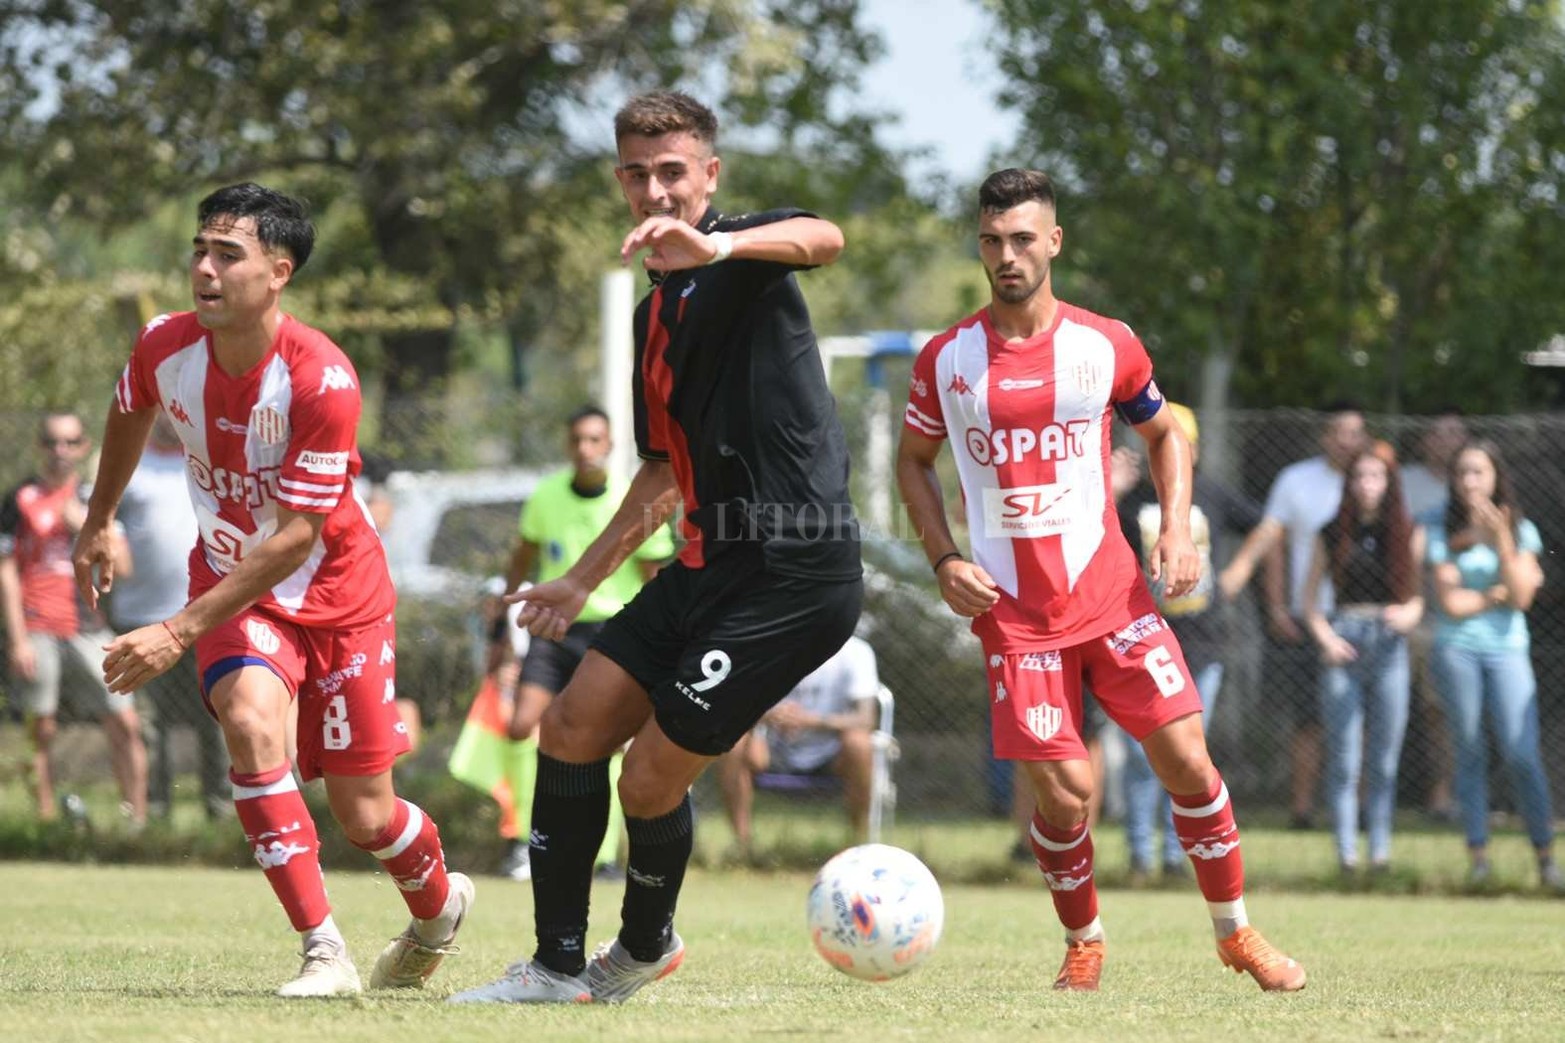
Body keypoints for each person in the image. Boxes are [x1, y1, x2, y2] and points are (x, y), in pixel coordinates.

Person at [451, 90, 861, 1006]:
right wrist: (578, 577)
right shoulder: (652, 322)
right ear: (619, 183)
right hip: (707, 563)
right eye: (637, 174)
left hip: (795, 572)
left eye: (673, 171)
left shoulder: (745, 256)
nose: (655, 189)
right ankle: (556, 968)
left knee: (646, 776)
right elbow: (661, 474)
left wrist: (719, 245)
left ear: (709, 176)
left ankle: (638, 950)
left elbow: (825, 236)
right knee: (568, 727)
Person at [896, 168, 1304, 992]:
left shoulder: (1104, 343)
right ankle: (1083, 938)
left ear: (1052, 241)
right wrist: (944, 558)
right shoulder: (946, 357)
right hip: (1012, 612)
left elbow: (1167, 437)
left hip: (1113, 594)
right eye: (990, 241)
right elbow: (911, 462)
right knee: (1069, 790)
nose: (1005, 255)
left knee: (1188, 758)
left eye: (1021, 239)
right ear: (979, 245)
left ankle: (1236, 934)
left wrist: (1181, 529)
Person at [71, 183, 473, 997]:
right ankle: (324, 950)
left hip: (340, 599)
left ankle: (438, 909)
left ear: (278, 271)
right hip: (233, 588)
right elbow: (128, 412)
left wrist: (176, 631)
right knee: (252, 727)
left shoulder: (322, 379)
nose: (205, 268)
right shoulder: (162, 346)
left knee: (366, 818)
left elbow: (297, 535)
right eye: (199, 249)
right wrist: (97, 518)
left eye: (229, 254)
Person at [489, 404, 675, 882]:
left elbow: (656, 578)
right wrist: (498, 619)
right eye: (578, 440)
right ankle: (520, 841)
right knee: (521, 725)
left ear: (610, 445)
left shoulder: (631, 501)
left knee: (609, 742)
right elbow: (522, 557)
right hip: (555, 629)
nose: (586, 449)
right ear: (568, 445)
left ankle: (606, 856)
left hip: (613, 633)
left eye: (595, 440)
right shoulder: (546, 497)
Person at [1115, 404, 1263, 882]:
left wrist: (1237, 572)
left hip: (1203, 642)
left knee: (1187, 754)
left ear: (1191, 450)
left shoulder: (1212, 496)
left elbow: (1266, 523)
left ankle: (1178, 857)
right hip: (1143, 642)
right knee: (1142, 755)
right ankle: (1140, 853)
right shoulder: (1132, 500)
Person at [1219, 403, 1368, 829]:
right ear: (1325, 437)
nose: (1347, 440)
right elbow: (1274, 543)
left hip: (1361, 615)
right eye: (1340, 431)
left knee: (1361, 723)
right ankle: (1302, 811)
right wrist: (1278, 606)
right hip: (1308, 617)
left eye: (1356, 432)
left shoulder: (1375, 480)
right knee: (1309, 719)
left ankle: (1357, 812)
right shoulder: (1297, 480)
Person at [1423, 440, 1559, 889]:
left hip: (1508, 649)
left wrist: (1502, 541)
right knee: (1470, 750)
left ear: (1497, 476)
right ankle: (1479, 857)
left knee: (1522, 753)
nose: (1470, 481)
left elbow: (1521, 597)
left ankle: (1545, 858)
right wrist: (1493, 593)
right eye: (1462, 472)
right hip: (1456, 649)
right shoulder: (1439, 528)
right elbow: (1451, 604)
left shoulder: (1523, 530)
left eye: (1479, 472)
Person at [1, 411, 147, 827]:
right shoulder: (19, 499)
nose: (59, 452)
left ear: (83, 448)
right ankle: (44, 822)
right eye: (51, 442)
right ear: (39, 447)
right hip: (37, 628)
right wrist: (17, 640)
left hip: (90, 628)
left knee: (125, 722)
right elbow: (6, 570)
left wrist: (85, 524)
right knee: (40, 728)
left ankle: (133, 820)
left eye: (69, 443)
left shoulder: (97, 497)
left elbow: (126, 566)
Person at [1301, 448, 1421, 875]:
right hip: (1345, 642)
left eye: (1377, 476)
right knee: (1345, 759)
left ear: (1390, 483)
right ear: (1349, 482)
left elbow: (1419, 598)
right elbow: (1310, 600)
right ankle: (1347, 855)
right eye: (1361, 476)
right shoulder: (1332, 531)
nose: (1368, 484)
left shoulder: (1407, 531)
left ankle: (1381, 853)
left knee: (1384, 761)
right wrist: (1326, 638)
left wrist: (1410, 614)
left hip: (1388, 644)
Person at [109, 412, 230, 821]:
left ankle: (222, 812)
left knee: (215, 718)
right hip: (140, 618)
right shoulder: (130, 465)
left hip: (203, 615)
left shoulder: (206, 460)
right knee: (149, 725)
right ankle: (155, 815)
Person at [718, 634, 878, 849]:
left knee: (859, 743)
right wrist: (769, 715)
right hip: (772, 751)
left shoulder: (856, 651)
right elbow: (733, 707)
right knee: (734, 743)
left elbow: (866, 719)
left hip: (830, 754)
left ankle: (858, 843)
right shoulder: (766, 644)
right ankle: (743, 846)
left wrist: (810, 721)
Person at [1399, 410, 1468, 821]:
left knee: (1439, 710)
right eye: (1438, 434)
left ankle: (1442, 797)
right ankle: (1365, 801)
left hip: (1452, 619)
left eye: (1455, 434)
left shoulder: (1475, 482)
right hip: (1411, 610)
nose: (1447, 442)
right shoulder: (1406, 481)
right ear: (1424, 441)